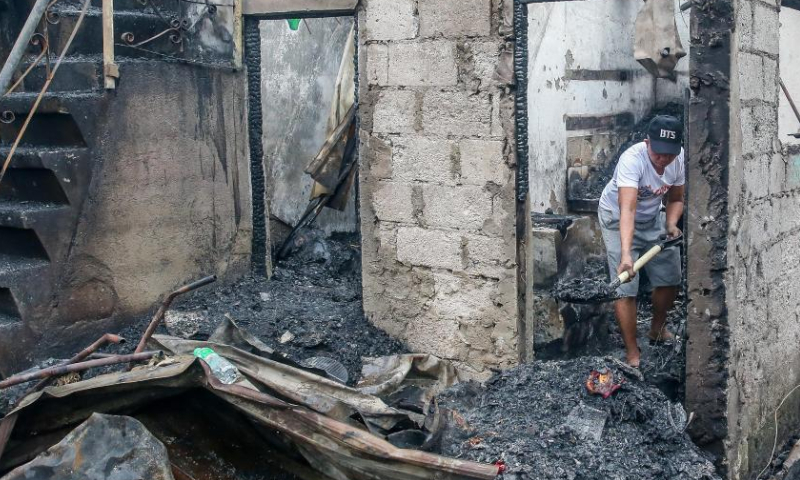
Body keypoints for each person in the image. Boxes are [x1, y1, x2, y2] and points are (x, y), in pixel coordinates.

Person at [597, 115, 685, 368]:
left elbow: (676, 198)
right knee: (625, 288)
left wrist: (670, 224)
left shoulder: (678, 161)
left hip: (652, 218)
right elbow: (628, 209)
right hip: (618, 218)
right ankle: (632, 351)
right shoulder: (631, 161)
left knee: (671, 279)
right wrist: (626, 255)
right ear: (647, 143)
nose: (663, 159)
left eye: (669, 154)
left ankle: (657, 329)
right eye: (658, 153)